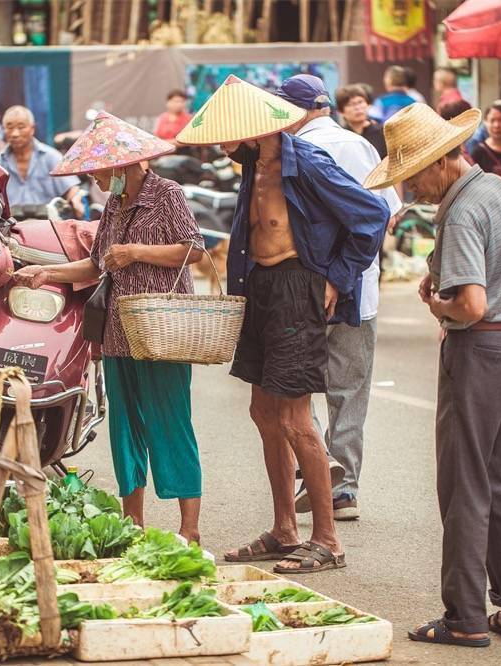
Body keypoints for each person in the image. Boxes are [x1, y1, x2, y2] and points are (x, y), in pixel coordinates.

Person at [177, 75, 389, 573]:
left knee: (296, 419)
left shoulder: (308, 162)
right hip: (261, 289)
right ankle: (284, 529)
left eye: (232, 130)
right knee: (263, 412)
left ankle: (328, 539)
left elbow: (372, 216)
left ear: (258, 128)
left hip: (298, 288)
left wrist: (336, 277)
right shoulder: (253, 164)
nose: (223, 141)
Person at [364, 103, 501, 647]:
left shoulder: (459, 210)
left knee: (465, 486)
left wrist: (440, 306)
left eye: (411, 176)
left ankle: (463, 617)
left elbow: (472, 305)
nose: (410, 189)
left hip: (480, 351)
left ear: (440, 161)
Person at [11, 112, 204, 542]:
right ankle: (133, 524)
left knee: (171, 425)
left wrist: (136, 252)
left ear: (122, 165)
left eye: (98, 171)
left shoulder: (167, 195)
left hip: (162, 331)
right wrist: (48, 274)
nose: (95, 180)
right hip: (118, 333)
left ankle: (190, 530)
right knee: (125, 430)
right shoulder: (113, 205)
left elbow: (193, 249)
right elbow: (97, 264)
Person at [277, 74, 402, 521]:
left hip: (307, 285)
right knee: (348, 390)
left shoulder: (295, 150)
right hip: (357, 289)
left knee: (296, 385)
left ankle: (322, 475)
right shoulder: (360, 146)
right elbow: (388, 212)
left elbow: (371, 215)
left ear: (296, 111)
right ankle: (343, 487)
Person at [0, 106, 82, 213]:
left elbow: (72, 189)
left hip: (46, 225)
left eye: (21, 127)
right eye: (9, 127)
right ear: (4, 130)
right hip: (10, 226)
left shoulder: (51, 156)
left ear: (32, 129)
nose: (15, 134)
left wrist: (76, 200)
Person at [335, 85, 387, 158]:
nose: (357, 108)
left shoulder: (382, 132)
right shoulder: (339, 136)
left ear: (368, 105)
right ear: (341, 112)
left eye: (360, 102)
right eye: (350, 104)